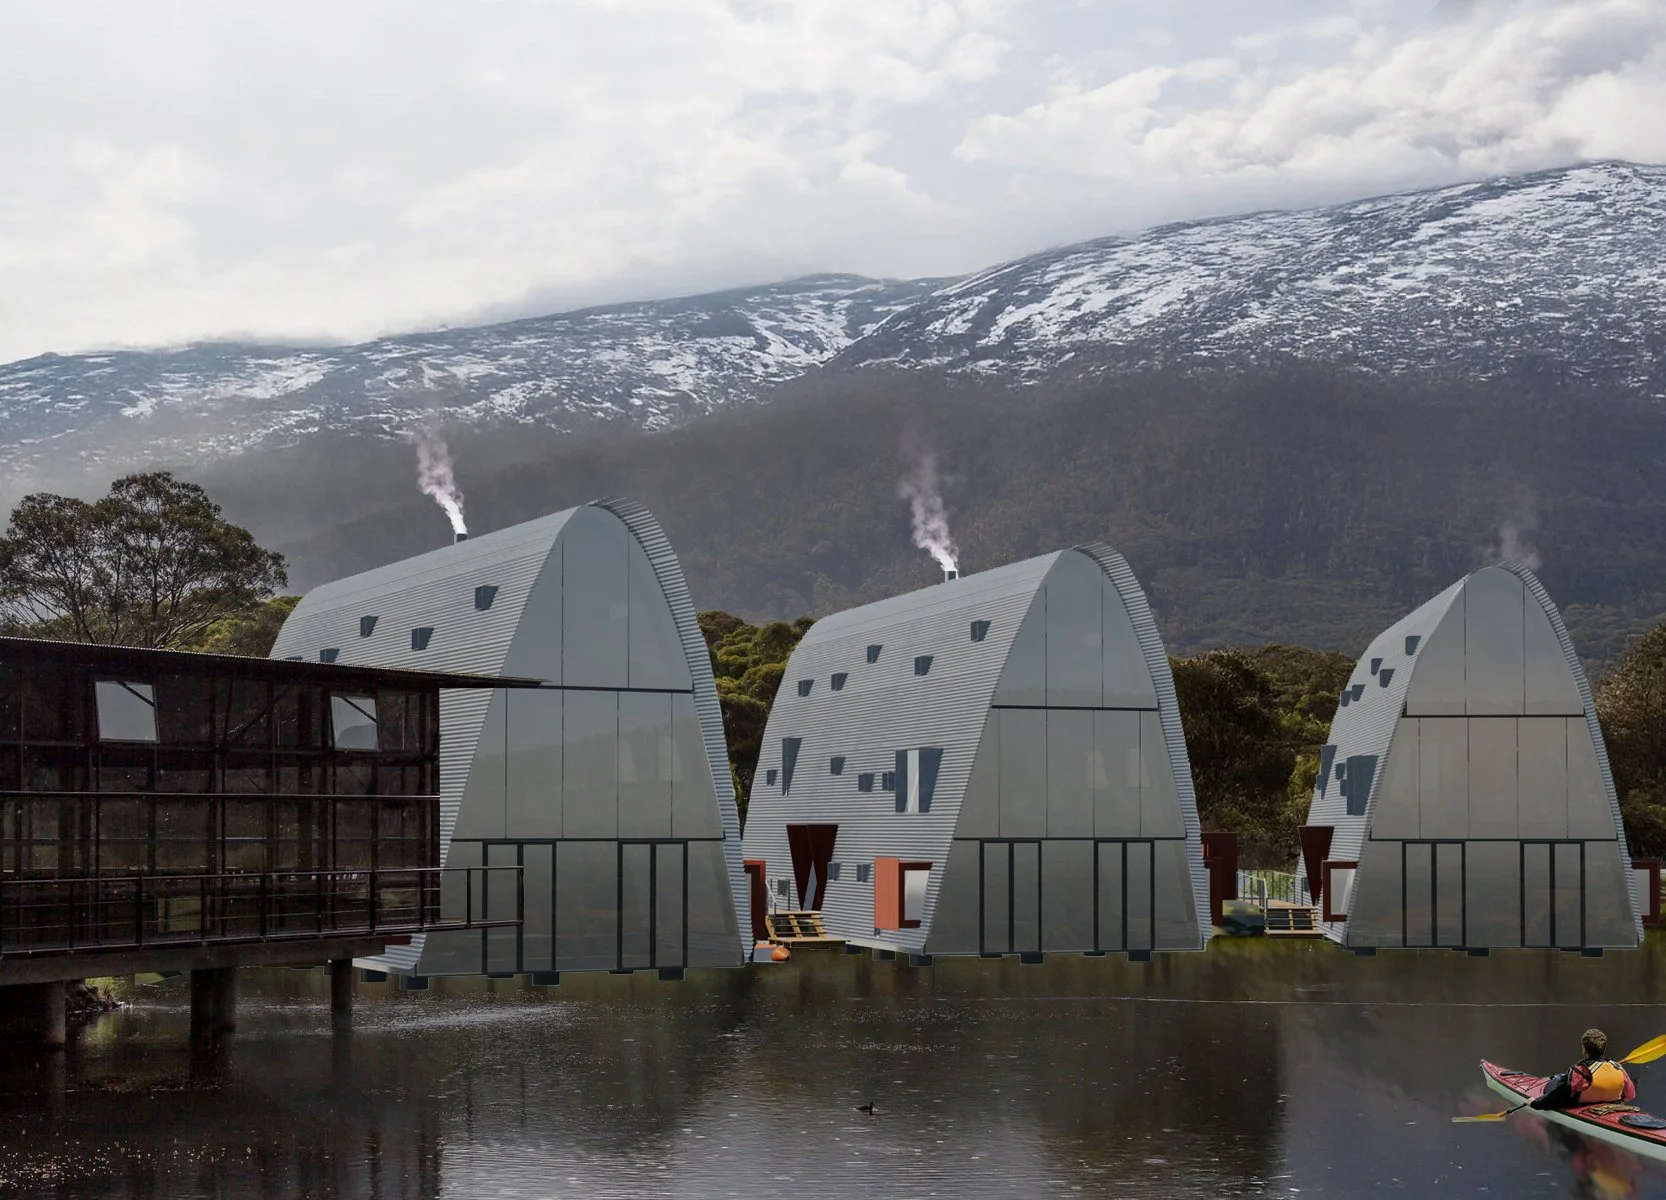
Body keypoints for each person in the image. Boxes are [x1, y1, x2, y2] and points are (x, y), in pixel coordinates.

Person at [1531, 1029, 1637, 1110]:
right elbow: (1630, 1095)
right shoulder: (1619, 1069)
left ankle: (1558, 1079)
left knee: (1555, 1082)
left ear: (1584, 1049)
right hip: (1612, 1107)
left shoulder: (1580, 1071)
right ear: (1604, 1049)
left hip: (1580, 1104)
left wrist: (1535, 1103)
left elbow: (1558, 1096)